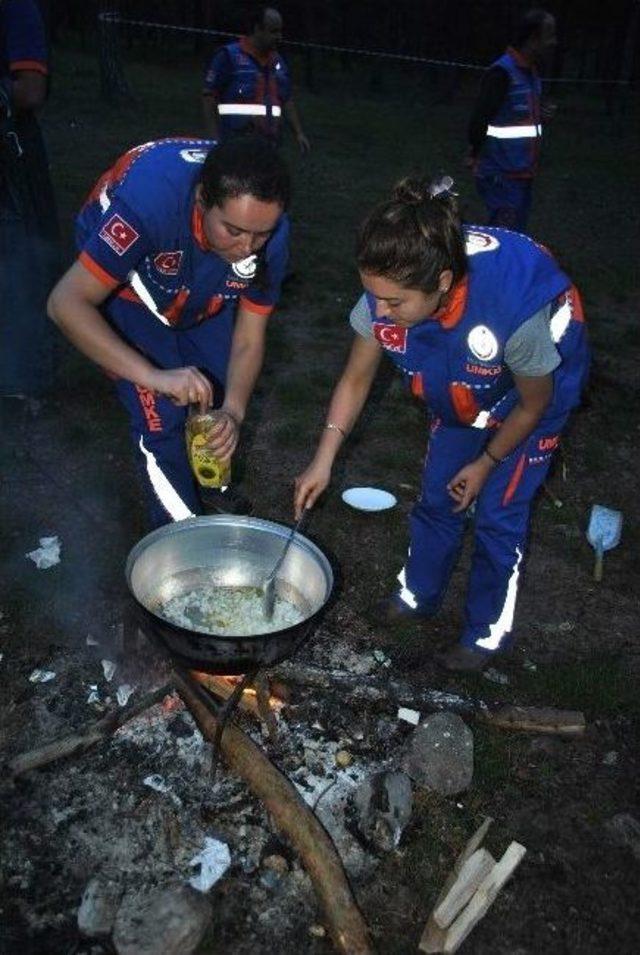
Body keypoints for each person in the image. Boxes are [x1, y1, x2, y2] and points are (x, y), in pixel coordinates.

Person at [294, 177, 589, 672]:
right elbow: (354, 380)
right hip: (462, 379)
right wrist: (322, 460)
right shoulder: (389, 291)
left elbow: (534, 404)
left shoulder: (512, 315)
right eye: (373, 296)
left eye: (393, 303)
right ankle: (417, 594)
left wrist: (488, 461)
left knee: (498, 514)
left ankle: (484, 634)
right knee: (438, 494)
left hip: (533, 391)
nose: (379, 312)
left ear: (444, 283)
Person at [48, 136, 290, 529]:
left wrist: (234, 411)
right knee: (161, 413)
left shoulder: (269, 232)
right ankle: (182, 540)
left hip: (199, 278)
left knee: (213, 389)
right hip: (127, 286)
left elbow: (248, 339)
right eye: (234, 230)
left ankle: (207, 479)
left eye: (260, 234)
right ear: (201, 200)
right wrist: (153, 375)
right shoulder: (147, 206)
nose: (248, 247)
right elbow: (65, 303)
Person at [1, 0, 59, 402]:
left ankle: (26, 379)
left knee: (20, 259)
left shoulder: (16, 8)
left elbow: (30, 91)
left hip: (10, 158)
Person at [467, 8, 557, 233]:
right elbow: (479, 120)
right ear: (533, 39)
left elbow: (516, 119)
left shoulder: (531, 73)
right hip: (501, 175)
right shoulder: (502, 73)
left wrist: (541, 115)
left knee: (513, 235)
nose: (553, 42)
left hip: (522, 174)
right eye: (549, 35)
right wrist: (475, 154)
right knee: (503, 238)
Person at [202, 6, 310, 153]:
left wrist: (299, 133)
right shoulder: (229, 56)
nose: (279, 37)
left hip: (270, 146)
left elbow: (286, 98)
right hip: (235, 144)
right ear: (257, 29)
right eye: (273, 31)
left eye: (280, 31)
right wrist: (214, 141)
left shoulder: (278, 62)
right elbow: (209, 97)